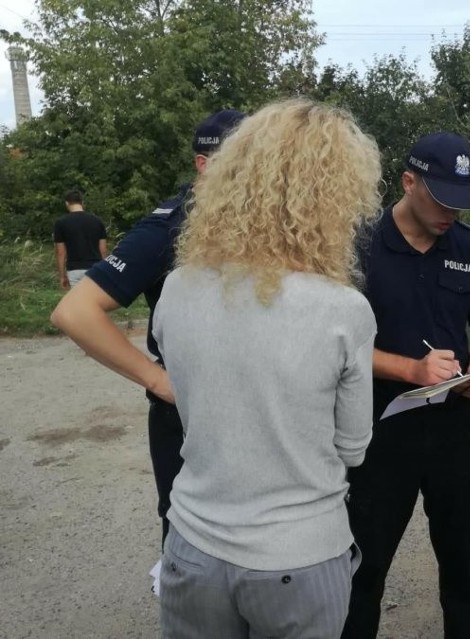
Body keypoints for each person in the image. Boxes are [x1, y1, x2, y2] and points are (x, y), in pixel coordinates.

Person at [151, 98, 380, 639]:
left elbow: (188, 398)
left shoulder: (176, 289)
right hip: (299, 555)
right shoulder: (342, 310)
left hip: (192, 545)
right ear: (336, 195)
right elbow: (353, 447)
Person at [50, 109, 246, 547]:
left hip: (252, 406)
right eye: (240, 161)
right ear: (203, 164)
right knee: (189, 534)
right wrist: (157, 379)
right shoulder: (170, 226)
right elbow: (75, 312)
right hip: (188, 415)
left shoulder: (252, 226)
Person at [342, 132, 470, 639]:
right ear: (409, 182)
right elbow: (332, 347)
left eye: (462, 202)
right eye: (441, 200)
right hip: (378, 433)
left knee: (462, 560)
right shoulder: (357, 246)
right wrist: (411, 370)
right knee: (363, 566)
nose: (452, 213)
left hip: (454, 430)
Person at [53, 190, 107, 289]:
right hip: (95, 268)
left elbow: (61, 252)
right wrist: (104, 271)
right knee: (93, 301)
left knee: (78, 302)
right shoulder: (97, 221)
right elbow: (103, 250)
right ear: (82, 202)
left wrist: (62, 276)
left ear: (67, 203)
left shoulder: (61, 223)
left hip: (74, 270)